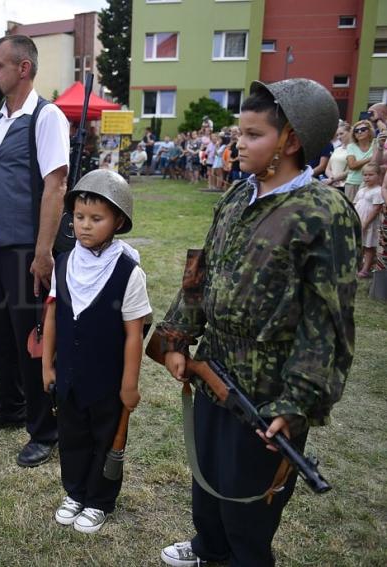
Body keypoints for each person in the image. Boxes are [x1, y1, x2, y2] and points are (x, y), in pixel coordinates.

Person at [155, 79, 358, 567]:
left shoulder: (323, 212)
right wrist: (177, 339)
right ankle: (209, 548)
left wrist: (298, 399)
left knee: (249, 501)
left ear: (290, 141)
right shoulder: (236, 195)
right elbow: (200, 273)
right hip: (215, 369)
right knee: (208, 477)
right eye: (237, 133)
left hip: (268, 387)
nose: (237, 144)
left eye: (252, 134)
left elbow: (326, 322)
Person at [0, 35, 70, 467]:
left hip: (31, 248)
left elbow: (56, 185)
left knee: (34, 341)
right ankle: (8, 404)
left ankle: (45, 429)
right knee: (0, 334)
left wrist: (43, 252)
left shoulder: (47, 118)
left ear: (23, 68)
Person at [42, 169, 151, 534]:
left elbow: (134, 334)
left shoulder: (127, 271)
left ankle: (100, 499)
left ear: (118, 221)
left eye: (97, 218)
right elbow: (54, 313)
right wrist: (47, 365)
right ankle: (75, 491)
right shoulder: (65, 262)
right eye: (79, 217)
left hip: (108, 380)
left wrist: (129, 385)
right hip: (70, 375)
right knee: (72, 436)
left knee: (106, 439)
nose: (85, 226)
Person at [354, 163, 384, 278]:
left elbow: (376, 209)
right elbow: (355, 204)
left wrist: (366, 223)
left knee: (368, 246)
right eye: (365, 175)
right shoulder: (361, 190)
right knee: (359, 245)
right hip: (359, 220)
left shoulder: (378, 191)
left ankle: (366, 269)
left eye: (370, 174)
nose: (367, 177)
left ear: (379, 176)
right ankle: (359, 265)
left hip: (370, 223)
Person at [345, 119, 375, 201]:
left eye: (363, 129)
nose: (359, 132)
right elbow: (352, 165)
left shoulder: (375, 144)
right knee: (351, 211)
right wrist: (370, 158)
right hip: (353, 183)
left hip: (371, 184)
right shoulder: (351, 146)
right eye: (356, 131)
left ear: (369, 131)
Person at [325, 122, 351, 190]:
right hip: (331, 184)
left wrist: (332, 179)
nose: (339, 137)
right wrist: (331, 178)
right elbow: (328, 168)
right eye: (337, 135)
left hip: (344, 186)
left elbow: (349, 170)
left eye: (341, 134)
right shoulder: (337, 149)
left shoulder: (354, 149)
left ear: (350, 132)